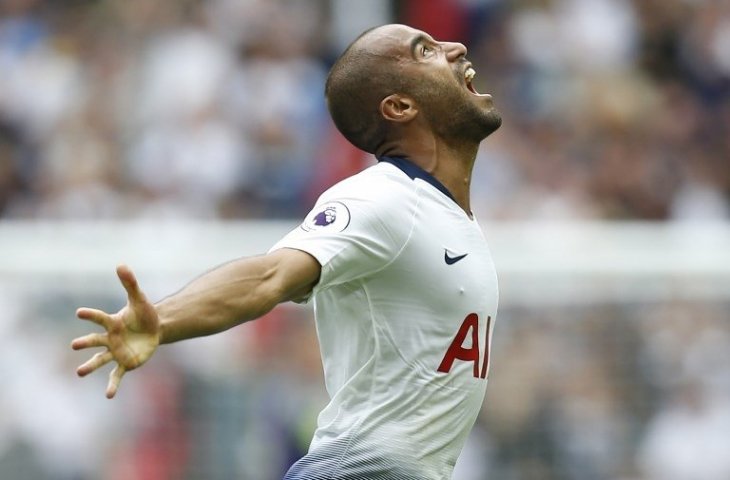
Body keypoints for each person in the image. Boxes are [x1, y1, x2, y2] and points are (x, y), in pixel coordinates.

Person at [72, 23, 502, 480]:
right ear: (399, 106)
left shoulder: (446, 215)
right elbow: (270, 275)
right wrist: (164, 320)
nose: (455, 48)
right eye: (425, 51)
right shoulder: (384, 197)